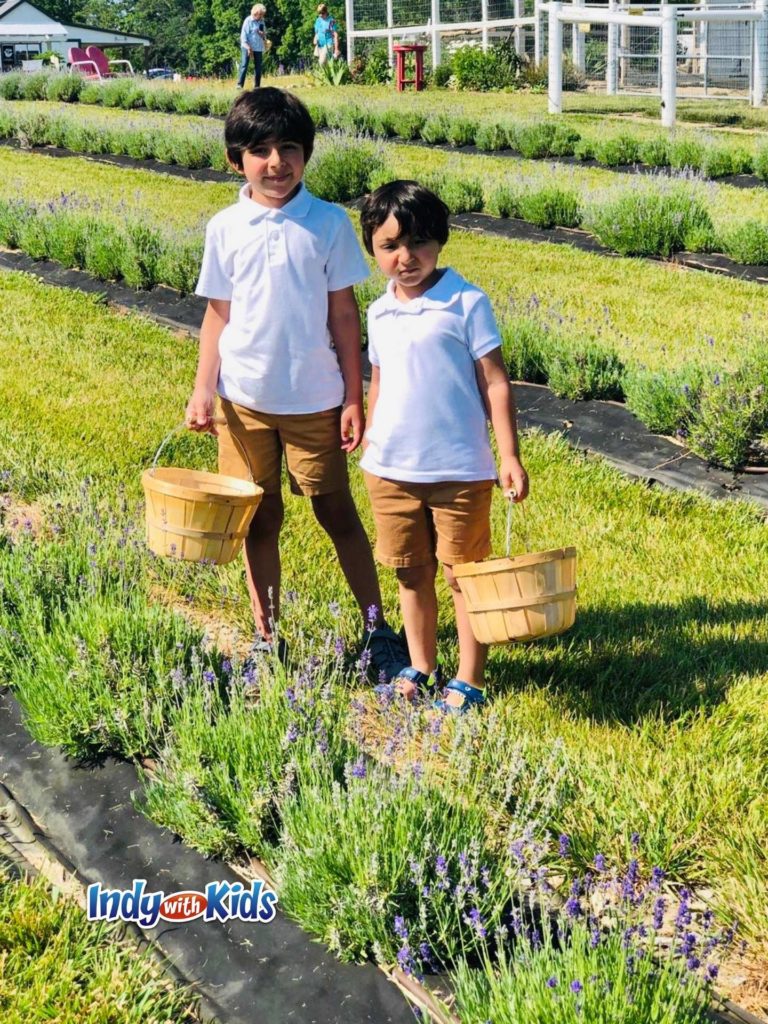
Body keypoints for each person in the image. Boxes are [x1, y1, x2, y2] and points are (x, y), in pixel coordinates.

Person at [185, 89, 407, 676]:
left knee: (336, 512)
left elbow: (343, 316)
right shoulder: (225, 227)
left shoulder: (328, 223)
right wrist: (204, 387)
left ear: (306, 153)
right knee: (258, 518)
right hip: (243, 402)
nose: (276, 162)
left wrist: (353, 396)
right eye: (260, 150)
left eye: (288, 148)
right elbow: (218, 315)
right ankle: (268, 637)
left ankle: (378, 630)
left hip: (315, 401)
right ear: (236, 160)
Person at [359, 180, 529, 714]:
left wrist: (509, 455)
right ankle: (422, 664)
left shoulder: (465, 302)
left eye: (419, 243)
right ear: (372, 249)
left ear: (440, 240)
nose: (405, 257)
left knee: (464, 576)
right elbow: (379, 380)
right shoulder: (378, 311)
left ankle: (469, 677)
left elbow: (495, 383)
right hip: (391, 470)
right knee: (410, 571)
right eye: (390, 246)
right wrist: (369, 434)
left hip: (459, 471)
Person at [237, 4, 267, 89]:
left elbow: (264, 35)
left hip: (258, 47)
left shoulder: (261, 22)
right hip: (247, 46)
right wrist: (248, 47)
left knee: (258, 68)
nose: (262, 16)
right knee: (244, 65)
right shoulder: (248, 21)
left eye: (262, 15)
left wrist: (262, 34)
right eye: (261, 14)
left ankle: (257, 87)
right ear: (256, 13)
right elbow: (243, 36)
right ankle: (239, 85)